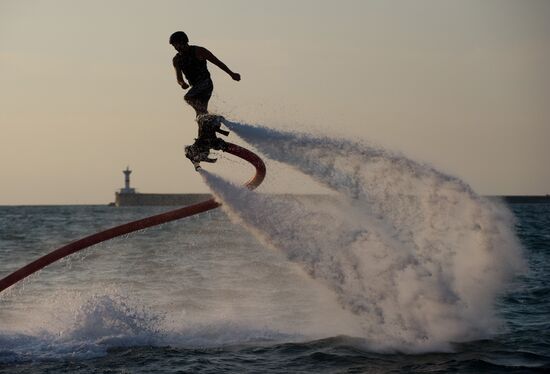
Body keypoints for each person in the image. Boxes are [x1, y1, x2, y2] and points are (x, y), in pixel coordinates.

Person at [169, 31, 241, 117]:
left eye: (177, 44)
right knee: (200, 116)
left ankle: (208, 116)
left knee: (188, 97)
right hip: (195, 87)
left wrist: (231, 74)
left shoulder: (199, 51)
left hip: (205, 83)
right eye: (174, 46)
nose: (176, 48)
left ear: (183, 41)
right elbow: (179, 78)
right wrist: (182, 84)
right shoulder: (177, 60)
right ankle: (209, 124)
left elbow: (217, 62)